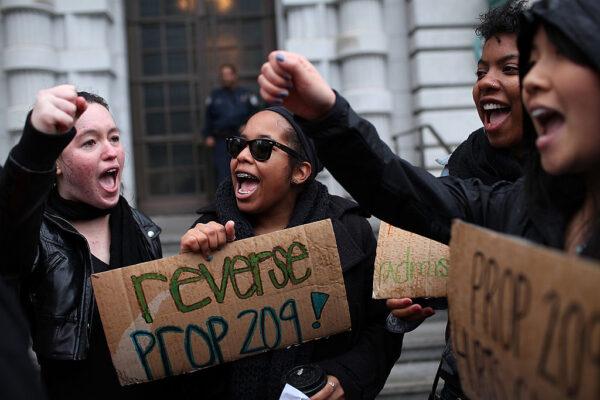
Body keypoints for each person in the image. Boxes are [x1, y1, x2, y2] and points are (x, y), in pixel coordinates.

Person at [257, 0, 600, 392]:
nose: (536, 81)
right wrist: (326, 115)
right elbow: (404, 190)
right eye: (533, 65)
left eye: (552, 63)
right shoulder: (513, 203)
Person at [180, 106, 403, 399]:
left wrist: (345, 378)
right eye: (238, 145)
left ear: (300, 172)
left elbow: (381, 329)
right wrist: (187, 267)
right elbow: (181, 351)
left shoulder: (349, 231)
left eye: (261, 148)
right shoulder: (208, 234)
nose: (242, 156)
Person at [0, 85, 197, 399]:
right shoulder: (34, 239)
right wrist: (36, 143)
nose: (110, 151)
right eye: (89, 142)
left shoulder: (143, 229)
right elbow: (10, 218)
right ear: (57, 165)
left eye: (114, 137)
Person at [387, 1, 529, 398]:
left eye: (510, 69)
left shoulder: (577, 173)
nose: (485, 83)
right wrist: (405, 305)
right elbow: (436, 266)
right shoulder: (466, 161)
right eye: (481, 71)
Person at [203, 63, 260, 185]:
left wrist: (248, 124)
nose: (226, 77)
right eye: (223, 75)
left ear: (234, 76)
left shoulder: (246, 94)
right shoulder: (215, 95)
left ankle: (243, 199)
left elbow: (257, 113)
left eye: (229, 74)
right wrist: (208, 135)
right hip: (221, 140)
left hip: (241, 139)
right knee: (223, 172)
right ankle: (224, 202)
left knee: (243, 169)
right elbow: (208, 117)